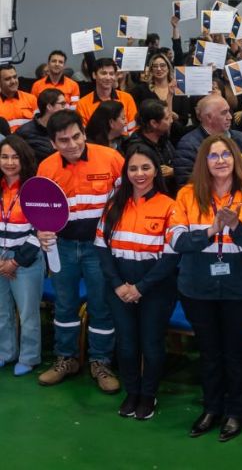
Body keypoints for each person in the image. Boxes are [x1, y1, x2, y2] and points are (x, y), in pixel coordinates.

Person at [169, 134, 242, 442]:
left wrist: (236, 228)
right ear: (204, 162)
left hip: (239, 287)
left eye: (226, 155)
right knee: (209, 351)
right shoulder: (187, 194)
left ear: (236, 158)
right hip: (197, 285)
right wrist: (212, 230)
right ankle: (212, 407)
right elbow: (176, 241)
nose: (220, 161)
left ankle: (236, 411)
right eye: (213, 156)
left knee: (236, 352)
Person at [35, 109, 125, 392]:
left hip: (99, 249)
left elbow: (128, 201)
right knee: (64, 305)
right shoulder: (46, 168)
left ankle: (100, 362)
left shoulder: (111, 159)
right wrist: (41, 229)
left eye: (76, 136)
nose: (72, 144)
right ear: (53, 143)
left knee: (101, 305)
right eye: (64, 140)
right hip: (60, 247)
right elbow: (41, 210)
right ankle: (66, 359)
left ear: (84, 133)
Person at [94, 146, 178, 420]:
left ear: (156, 169)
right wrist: (119, 285)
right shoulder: (113, 204)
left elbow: (170, 257)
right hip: (118, 286)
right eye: (133, 168)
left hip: (155, 288)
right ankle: (132, 392)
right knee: (127, 344)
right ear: (125, 172)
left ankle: (148, 395)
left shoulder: (169, 206)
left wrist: (140, 288)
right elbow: (102, 249)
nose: (139, 174)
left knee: (151, 344)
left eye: (145, 167)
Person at [0, 136, 44, 376]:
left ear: (24, 158)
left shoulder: (35, 187)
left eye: (15, 157)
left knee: (28, 312)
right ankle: (5, 352)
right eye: (4, 156)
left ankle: (29, 357)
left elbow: (40, 231)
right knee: (1, 310)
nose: (9, 162)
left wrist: (15, 261)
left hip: (25, 258)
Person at [174, 95, 242, 185]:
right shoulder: (188, 145)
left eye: (229, 111)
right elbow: (186, 184)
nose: (230, 117)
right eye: (224, 113)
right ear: (208, 117)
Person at [123, 99, 177, 193]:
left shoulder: (164, 139)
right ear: (154, 123)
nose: (171, 121)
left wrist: (174, 171)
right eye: (167, 118)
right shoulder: (136, 149)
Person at [75, 57, 138, 134]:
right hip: (96, 145)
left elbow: (133, 130)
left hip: (124, 143)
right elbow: (84, 135)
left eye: (111, 74)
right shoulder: (82, 104)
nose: (108, 77)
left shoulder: (127, 98)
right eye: (103, 73)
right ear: (94, 75)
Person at [18, 88, 68, 163]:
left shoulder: (68, 128)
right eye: (62, 104)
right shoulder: (24, 132)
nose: (66, 108)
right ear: (49, 107)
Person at [0, 64, 38, 133]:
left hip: (30, 139)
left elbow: (39, 124)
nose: (13, 81)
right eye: (7, 79)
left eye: (15, 77)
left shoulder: (31, 99)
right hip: (6, 141)